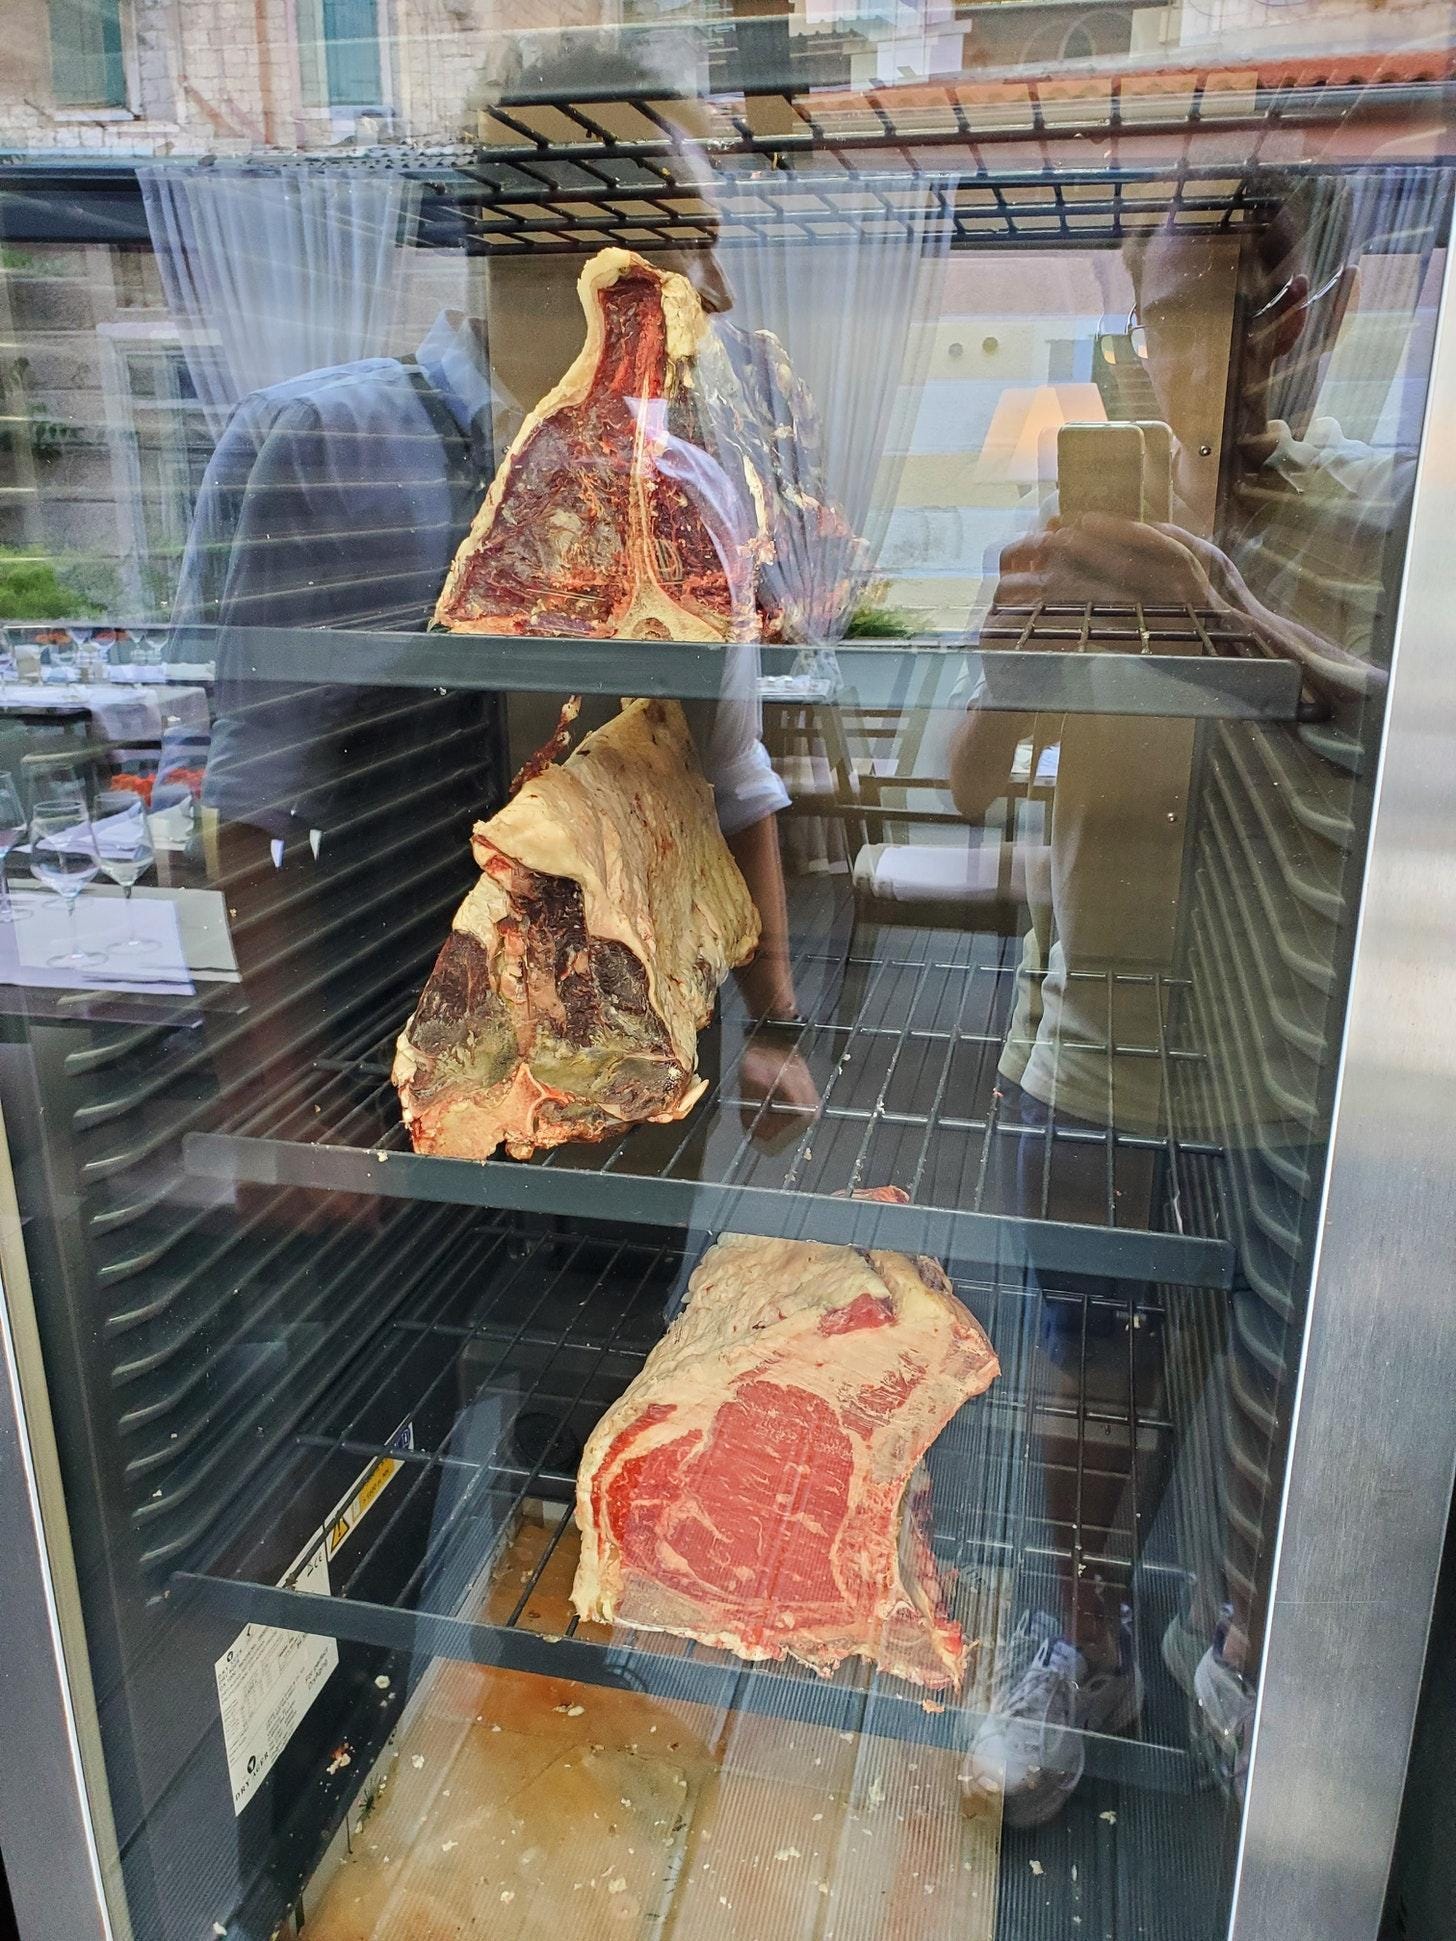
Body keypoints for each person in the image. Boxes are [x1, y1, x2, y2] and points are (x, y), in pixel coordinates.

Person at [953, 170, 1408, 1826]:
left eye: (1247, 308)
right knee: (1082, 1382)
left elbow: (1418, 741)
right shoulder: (1084, 511)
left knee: (1272, 1403)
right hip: (1088, 1044)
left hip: (1291, 1054)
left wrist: (1221, 613)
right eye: (1171, 316)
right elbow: (967, 780)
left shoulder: (1390, 517)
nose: (1208, 356)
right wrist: (1014, 659)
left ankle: (1242, 1650)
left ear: (1327, 315)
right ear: (1134, 329)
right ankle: (1080, 1646)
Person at [175, 31, 821, 1130]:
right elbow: (247, 811)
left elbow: (733, 776)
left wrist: (773, 1027)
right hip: (393, 1052)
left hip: (646, 1046)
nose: (717, 291)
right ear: (598, 255)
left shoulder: (694, 485)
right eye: (695, 242)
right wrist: (280, 1097)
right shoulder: (330, 444)